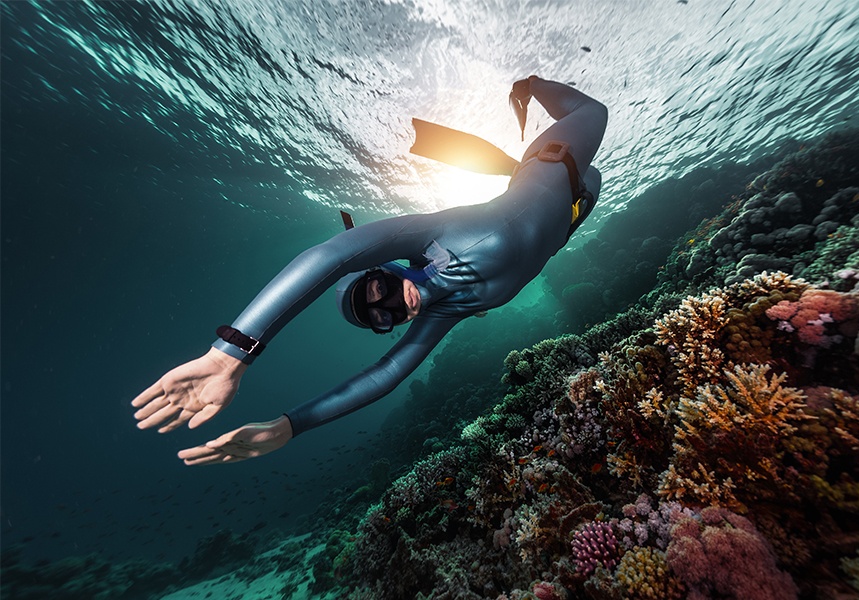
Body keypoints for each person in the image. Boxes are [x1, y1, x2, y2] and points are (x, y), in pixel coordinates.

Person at [131, 76, 608, 465]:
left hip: (555, 158)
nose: (394, 307)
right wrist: (288, 427)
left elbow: (331, 256)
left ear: (382, 268)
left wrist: (231, 353)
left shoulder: (435, 236)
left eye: (378, 290)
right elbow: (386, 374)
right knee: (595, 178)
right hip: (578, 204)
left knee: (595, 111)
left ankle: (528, 85)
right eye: (382, 319)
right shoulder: (446, 312)